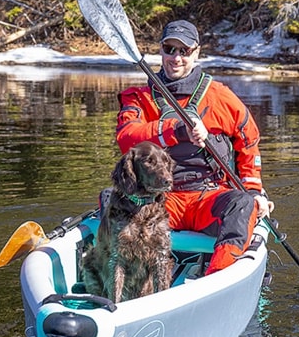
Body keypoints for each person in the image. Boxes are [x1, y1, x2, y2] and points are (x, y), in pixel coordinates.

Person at [116, 20, 273, 275]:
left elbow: (249, 141)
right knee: (113, 200)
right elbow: (127, 137)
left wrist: (254, 189)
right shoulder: (139, 98)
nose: (176, 58)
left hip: (208, 198)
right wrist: (176, 130)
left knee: (243, 204)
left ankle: (217, 277)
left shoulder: (220, 96)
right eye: (170, 49)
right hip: (162, 200)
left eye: (184, 51)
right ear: (161, 50)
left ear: (196, 53)